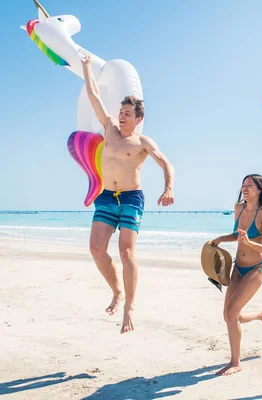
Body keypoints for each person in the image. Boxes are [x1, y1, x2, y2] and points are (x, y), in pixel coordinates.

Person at [81, 55, 175, 334]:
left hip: (132, 198)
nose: (121, 116)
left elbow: (165, 163)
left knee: (126, 251)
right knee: (97, 249)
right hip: (107, 196)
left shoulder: (142, 142)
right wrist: (87, 68)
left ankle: (129, 307)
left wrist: (168, 187)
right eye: (121, 111)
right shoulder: (109, 129)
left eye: (127, 113)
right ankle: (117, 291)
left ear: (139, 118)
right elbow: (94, 95)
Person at [210, 174, 262, 376]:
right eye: (243, 185)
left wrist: (249, 243)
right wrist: (221, 239)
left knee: (232, 313)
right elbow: (237, 234)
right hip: (237, 267)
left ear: (259, 190)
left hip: (257, 268)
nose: (245, 188)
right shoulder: (238, 208)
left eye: (249, 185)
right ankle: (261, 315)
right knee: (228, 315)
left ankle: (235, 362)